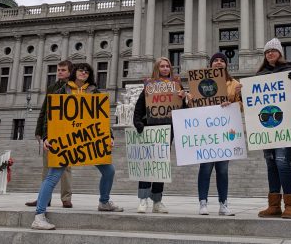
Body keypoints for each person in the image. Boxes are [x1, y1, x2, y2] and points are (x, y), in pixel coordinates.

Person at [32, 62, 122, 230]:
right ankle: (39, 215)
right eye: (81, 70)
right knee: (52, 176)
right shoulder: (61, 91)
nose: (84, 73)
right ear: (74, 72)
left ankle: (104, 202)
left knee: (109, 170)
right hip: (66, 140)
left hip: (90, 139)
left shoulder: (95, 92)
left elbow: (101, 117)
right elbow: (49, 117)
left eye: (87, 71)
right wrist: (45, 137)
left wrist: (109, 135)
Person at [255, 38, 291, 219]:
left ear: (279, 53)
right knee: (270, 164)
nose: (270, 54)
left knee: (282, 162)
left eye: (273, 51)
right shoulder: (259, 75)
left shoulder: (290, 71)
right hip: (267, 126)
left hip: (286, 124)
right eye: (267, 51)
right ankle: (274, 206)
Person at [132, 57, 187, 214]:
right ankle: (143, 199)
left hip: (167, 130)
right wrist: (138, 123)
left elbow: (182, 110)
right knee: (147, 164)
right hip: (150, 129)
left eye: (167, 66)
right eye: (162, 66)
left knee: (161, 166)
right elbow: (139, 107)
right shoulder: (150, 86)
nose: (165, 68)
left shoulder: (176, 86)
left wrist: (183, 99)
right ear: (157, 68)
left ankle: (157, 200)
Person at [196, 52, 240, 216]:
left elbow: (241, 106)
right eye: (216, 60)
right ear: (211, 64)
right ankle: (203, 202)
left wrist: (233, 102)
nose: (219, 63)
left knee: (223, 169)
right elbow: (194, 102)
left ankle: (223, 204)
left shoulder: (234, 83)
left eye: (222, 61)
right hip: (206, 131)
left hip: (224, 130)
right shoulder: (200, 81)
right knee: (205, 168)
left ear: (226, 64)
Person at [25, 60, 73, 208]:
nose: (59, 72)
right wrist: (39, 130)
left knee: (66, 167)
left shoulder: (74, 88)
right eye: (58, 70)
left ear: (70, 72)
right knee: (46, 167)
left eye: (63, 70)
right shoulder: (52, 87)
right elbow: (45, 109)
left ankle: (66, 198)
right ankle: (44, 198)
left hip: (68, 132)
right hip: (51, 132)